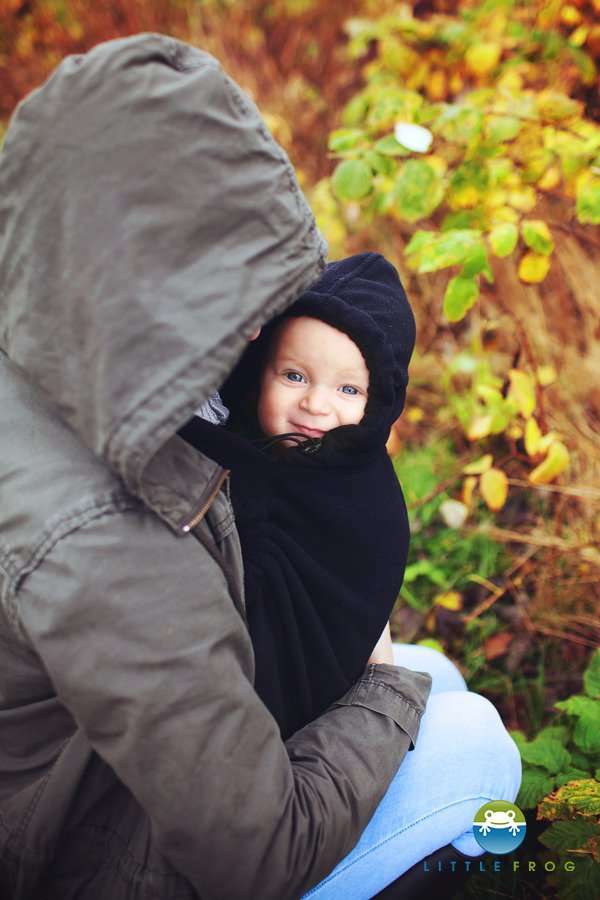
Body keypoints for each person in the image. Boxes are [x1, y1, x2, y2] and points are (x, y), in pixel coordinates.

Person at [0, 33, 520, 900]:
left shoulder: (43, 332)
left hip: (68, 748)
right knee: (471, 735)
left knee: (442, 680)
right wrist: (387, 685)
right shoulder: (102, 546)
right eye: (227, 298)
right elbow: (256, 856)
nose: (255, 332)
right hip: (86, 842)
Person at [178, 251, 417, 740]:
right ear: (258, 371)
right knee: (469, 722)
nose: (314, 403)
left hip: (343, 675)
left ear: (379, 404)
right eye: (294, 376)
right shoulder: (230, 459)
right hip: (275, 739)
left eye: (348, 390)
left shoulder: (362, 486)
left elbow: (355, 582)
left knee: (445, 676)